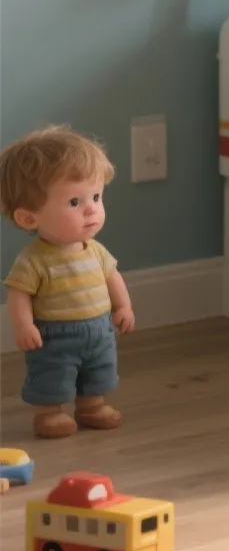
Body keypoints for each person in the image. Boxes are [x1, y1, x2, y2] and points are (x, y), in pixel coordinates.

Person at [1, 125, 135, 437]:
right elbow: (18, 294)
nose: (92, 209)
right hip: (54, 334)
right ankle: (49, 413)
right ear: (28, 218)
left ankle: (91, 405)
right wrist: (24, 326)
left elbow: (111, 277)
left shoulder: (96, 250)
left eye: (97, 197)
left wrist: (123, 305)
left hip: (99, 328)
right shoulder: (34, 259)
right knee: (52, 373)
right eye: (75, 202)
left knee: (98, 370)